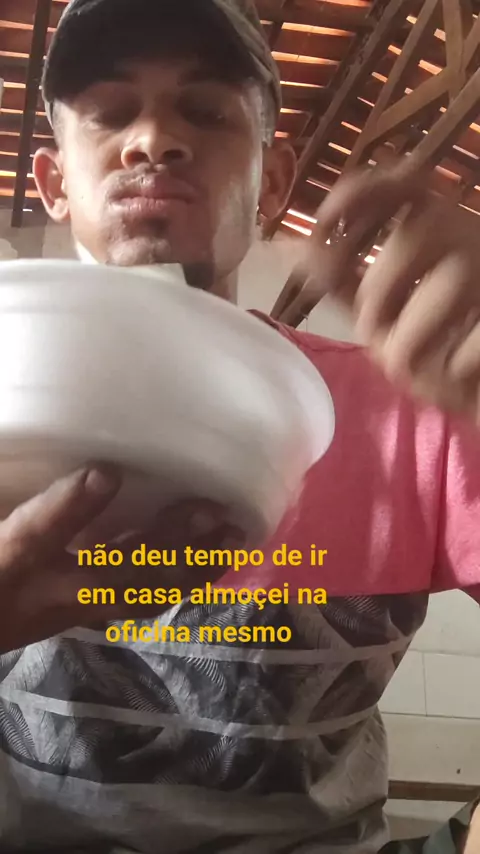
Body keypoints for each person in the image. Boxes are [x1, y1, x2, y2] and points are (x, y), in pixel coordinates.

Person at [0, 0, 478, 851]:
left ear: (275, 181)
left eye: (206, 112)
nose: (154, 139)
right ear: (53, 183)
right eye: (109, 113)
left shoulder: (416, 404)